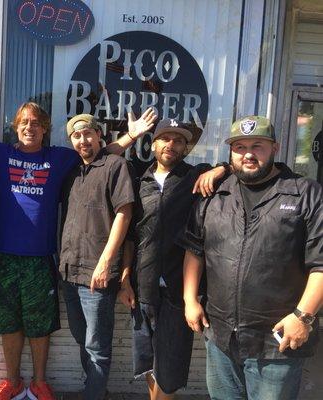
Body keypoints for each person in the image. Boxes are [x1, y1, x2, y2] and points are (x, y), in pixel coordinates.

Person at [0, 99, 156, 400]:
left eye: (36, 123)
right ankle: (12, 381)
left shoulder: (59, 158)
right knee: (9, 323)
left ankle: (40, 382)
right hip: (5, 258)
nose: (29, 128)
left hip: (41, 259)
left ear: (45, 129)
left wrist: (131, 136)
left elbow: (98, 154)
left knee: (39, 325)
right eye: (24, 123)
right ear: (15, 128)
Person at [180, 116, 323, 400]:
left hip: (276, 344)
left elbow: (320, 262)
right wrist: (189, 300)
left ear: (275, 148)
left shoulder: (305, 193)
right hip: (220, 337)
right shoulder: (214, 194)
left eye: (257, 146)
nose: (248, 153)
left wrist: (303, 316)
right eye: (239, 146)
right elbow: (194, 249)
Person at [117, 118, 227, 400]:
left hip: (179, 291)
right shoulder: (139, 181)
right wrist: (125, 279)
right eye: (165, 138)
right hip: (144, 287)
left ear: (186, 147)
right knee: (149, 363)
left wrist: (220, 169)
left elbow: (243, 167)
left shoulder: (195, 176)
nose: (171, 144)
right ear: (153, 144)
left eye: (178, 140)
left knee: (170, 369)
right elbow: (131, 237)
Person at [59, 114, 135, 399]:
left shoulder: (116, 165)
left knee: (97, 347)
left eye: (88, 134)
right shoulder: (72, 172)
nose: (82, 141)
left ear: (99, 135)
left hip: (96, 275)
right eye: (76, 137)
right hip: (69, 271)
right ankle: (95, 391)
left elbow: (124, 213)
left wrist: (105, 262)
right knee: (82, 340)